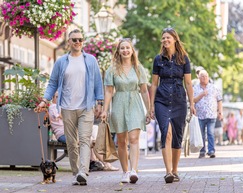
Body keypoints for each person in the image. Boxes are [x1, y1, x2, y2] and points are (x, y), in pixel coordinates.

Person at [36, 29, 104, 186]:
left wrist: (99, 102)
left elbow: (98, 82)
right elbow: (52, 83)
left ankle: (83, 172)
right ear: (69, 42)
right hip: (67, 107)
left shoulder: (91, 60)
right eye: (74, 40)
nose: (78, 42)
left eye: (80, 39)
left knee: (85, 140)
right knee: (72, 143)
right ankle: (76, 173)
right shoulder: (61, 62)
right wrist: (45, 100)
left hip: (86, 106)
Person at [100, 38, 150, 184]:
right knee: (122, 141)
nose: (125, 50)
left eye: (128, 48)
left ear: (132, 50)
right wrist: (105, 110)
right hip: (119, 104)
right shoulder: (112, 70)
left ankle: (134, 171)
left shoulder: (139, 68)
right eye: (122, 48)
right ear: (119, 51)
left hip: (135, 103)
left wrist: (149, 110)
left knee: (134, 139)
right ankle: (125, 171)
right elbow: (109, 91)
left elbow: (144, 90)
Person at [149, 27, 195, 183]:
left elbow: (188, 83)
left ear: (175, 39)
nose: (165, 40)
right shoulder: (158, 59)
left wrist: (192, 103)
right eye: (163, 38)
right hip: (161, 99)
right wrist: (151, 106)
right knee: (166, 133)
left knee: (177, 136)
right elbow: (154, 84)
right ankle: (168, 171)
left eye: (168, 37)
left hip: (179, 100)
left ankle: (175, 170)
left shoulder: (184, 58)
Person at [194, 69, 223, 158]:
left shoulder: (214, 87)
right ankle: (202, 151)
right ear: (199, 78)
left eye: (206, 76)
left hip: (211, 115)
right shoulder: (195, 88)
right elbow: (193, 100)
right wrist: (202, 94)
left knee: (210, 133)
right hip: (200, 115)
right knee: (201, 134)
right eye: (202, 76)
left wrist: (220, 112)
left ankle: (211, 150)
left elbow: (219, 100)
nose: (204, 78)